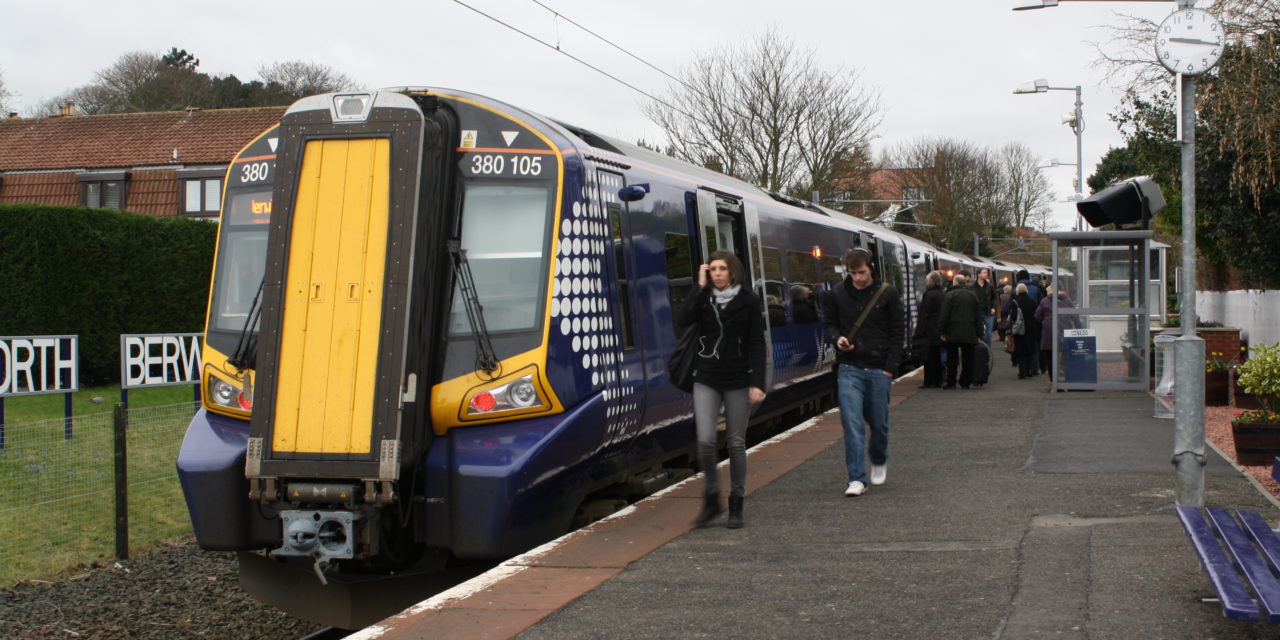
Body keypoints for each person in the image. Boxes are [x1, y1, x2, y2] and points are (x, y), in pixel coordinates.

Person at [677, 250, 767, 529]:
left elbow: (755, 343)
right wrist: (699, 286)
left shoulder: (749, 301)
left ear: (732, 272)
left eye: (721, 269)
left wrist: (758, 383)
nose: (717, 273)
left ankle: (736, 501)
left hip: (739, 379)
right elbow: (683, 320)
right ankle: (711, 498)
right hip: (706, 376)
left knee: (736, 442)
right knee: (705, 440)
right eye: (713, 269)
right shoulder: (703, 298)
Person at [824, 248, 904, 497]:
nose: (856, 278)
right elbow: (831, 324)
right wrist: (838, 339)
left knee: (879, 424)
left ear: (871, 269)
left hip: (879, 368)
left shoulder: (888, 293)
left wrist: (890, 368)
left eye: (861, 273)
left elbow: (897, 332)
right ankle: (856, 478)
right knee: (852, 423)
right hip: (849, 368)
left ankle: (879, 458)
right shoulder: (837, 294)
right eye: (852, 273)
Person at [939, 273, 983, 389]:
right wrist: (979, 333)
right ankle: (965, 381)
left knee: (951, 358)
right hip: (969, 331)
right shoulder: (973, 295)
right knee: (968, 358)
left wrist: (942, 331)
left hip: (952, 332)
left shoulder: (949, 295)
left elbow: (944, 315)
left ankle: (951, 382)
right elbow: (978, 316)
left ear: (955, 282)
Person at [1034, 286, 1077, 379]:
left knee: (1050, 355)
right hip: (1065, 329)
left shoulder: (1044, 301)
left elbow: (1037, 316)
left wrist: (1044, 321)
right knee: (1065, 351)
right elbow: (1074, 315)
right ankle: (1064, 373)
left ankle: (1053, 378)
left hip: (1049, 330)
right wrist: (1079, 327)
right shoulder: (1067, 300)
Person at [913, 271, 946, 389]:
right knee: (937, 356)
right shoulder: (942, 293)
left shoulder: (929, 294)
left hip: (929, 330)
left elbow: (924, 314)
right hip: (939, 329)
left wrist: (919, 331)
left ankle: (929, 381)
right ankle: (938, 380)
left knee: (928, 358)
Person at [1010, 283, 1040, 379]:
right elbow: (1036, 315)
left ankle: (1022, 372)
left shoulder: (1015, 302)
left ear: (1017, 291)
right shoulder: (1032, 301)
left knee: (1021, 351)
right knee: (1030, 350)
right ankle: (1030, 370)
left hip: (1020, 329)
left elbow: (1013, 316)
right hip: (1031, 328)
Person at [972, 268, 998, 346]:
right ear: (978, 274)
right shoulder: (972, 287)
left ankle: (988, 351)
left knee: (988, 333)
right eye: (984, 273)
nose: (986, 274)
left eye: (986, 273)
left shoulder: (990, 286)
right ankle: (981, 350)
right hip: (977, 312)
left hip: (988, 312)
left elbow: (994, 298)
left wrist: (993, 307)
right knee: (979, 332)